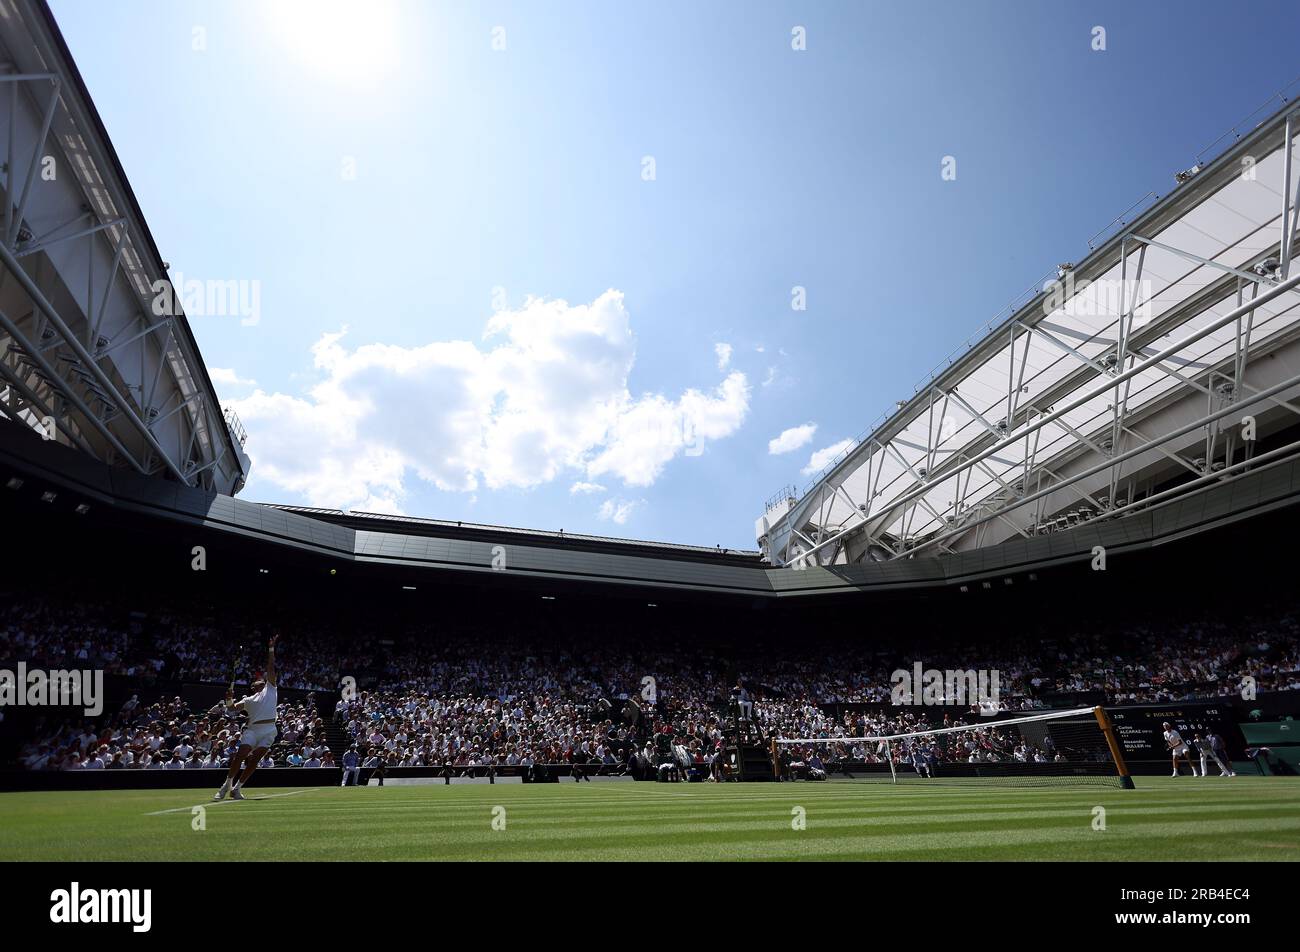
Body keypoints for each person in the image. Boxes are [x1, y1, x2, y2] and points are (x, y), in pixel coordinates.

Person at [213, 635, 279, 801]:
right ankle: (226, 785)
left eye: (263, 680)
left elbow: (271, 667)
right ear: (253, 687)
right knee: (241, 754)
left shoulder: (271, 689)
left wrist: (271, 649)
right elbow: (231, 708)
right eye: (259, 682)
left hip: (269, 729)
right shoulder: (248, 700)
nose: (262, 681)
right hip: (253, 729)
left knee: (255, 759)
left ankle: (237, 788)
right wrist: (229, 698)